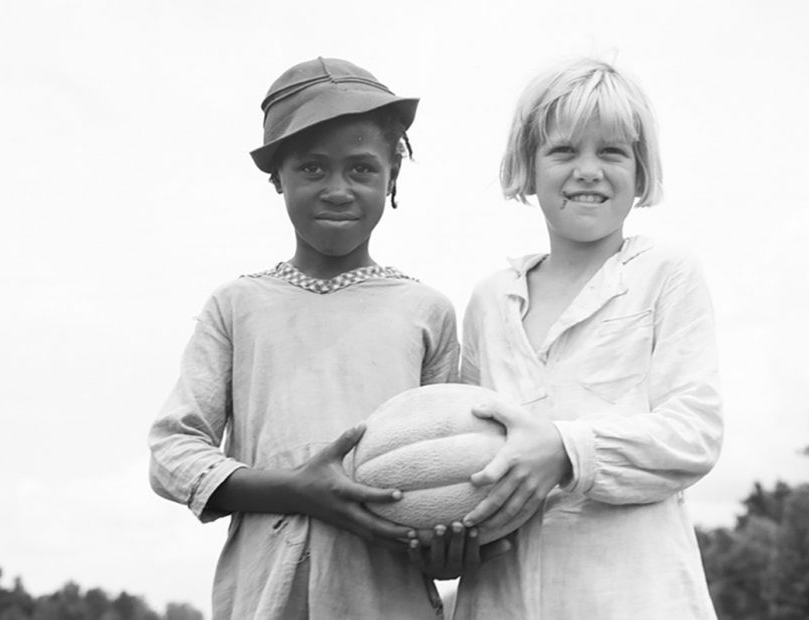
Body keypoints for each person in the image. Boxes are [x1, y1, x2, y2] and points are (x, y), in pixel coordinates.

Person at [148, 57, 468, 619]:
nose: (338, 190)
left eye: (362, 169)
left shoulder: (427, 312)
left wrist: (447, 546)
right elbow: (173, 452)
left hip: (387, 602)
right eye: (313, 169)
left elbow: (450, 471)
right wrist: (296, 490)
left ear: (393, 174)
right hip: (264, 597)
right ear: (278, 177)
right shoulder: (238, 306)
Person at [454, 57, 724, 619]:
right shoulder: (487, 302)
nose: (588, 170)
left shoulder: (666, 271)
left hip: (637, 597)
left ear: (640, 169)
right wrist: (445, 534)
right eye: (563, 151)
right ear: (526, 166)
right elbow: (463, 461)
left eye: (611, 152)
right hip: (505, 600)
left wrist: (565, 449)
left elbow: (693, 434)